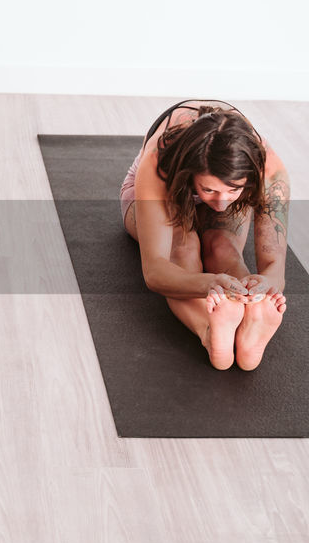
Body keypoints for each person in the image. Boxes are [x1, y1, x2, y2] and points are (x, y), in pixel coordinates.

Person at [121, 99, 289, 370]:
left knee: (222, 247)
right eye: (209, 190)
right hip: (165, 194)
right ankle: (209, 329)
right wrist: (210, 283)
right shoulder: (159, 160)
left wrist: (263, 287)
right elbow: (155, 271)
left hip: (213, 187)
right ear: (192, 172)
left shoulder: (268, 168)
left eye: (233, 190)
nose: (221, 203)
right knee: (183, 246)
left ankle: (250, 318)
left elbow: (275, 268)